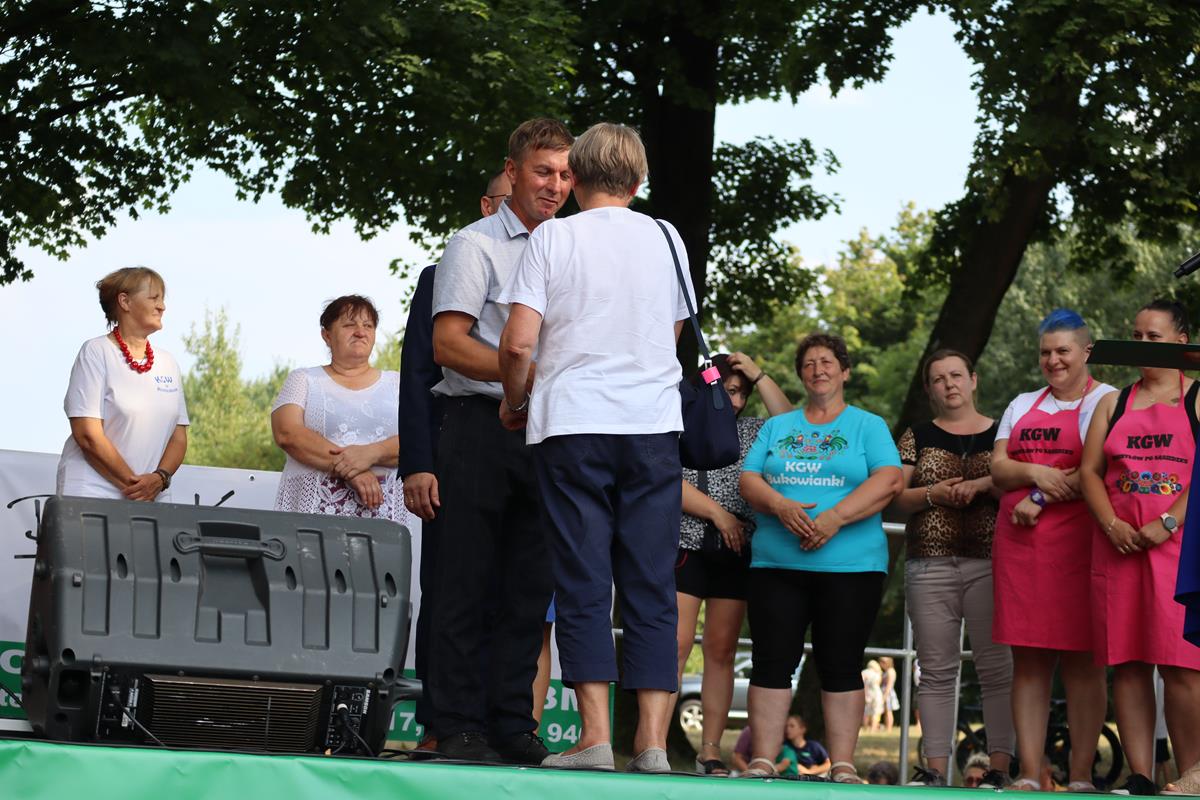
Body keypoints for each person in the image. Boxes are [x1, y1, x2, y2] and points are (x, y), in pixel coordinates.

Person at [497, 122, 695, 772]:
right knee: (652, 581)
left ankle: (596, 738)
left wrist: (515, 400)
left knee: (583, 579)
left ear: (575, 177)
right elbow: (670, 332)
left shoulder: (553, 237)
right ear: (638, 182)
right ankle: (654, 745)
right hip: (653, 427)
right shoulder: (667, 238)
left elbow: (517, 343)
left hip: (573, 425)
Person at [426, 118, 572, 764]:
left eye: (565, 174)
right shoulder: (474, 243)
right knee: (464, 583)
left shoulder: (572, 247)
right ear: (512, 172)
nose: (555, 185)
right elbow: (447, 345)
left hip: (549, 432)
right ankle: (458, 724)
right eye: (543, 171)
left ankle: (512, 722)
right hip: (479, 424)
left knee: (528, 591)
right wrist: (528, 374)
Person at [738, 332, 904, 781]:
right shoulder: (778, 427)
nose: (818, 370)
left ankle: (843, 764)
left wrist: (834, 518)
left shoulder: (868, 426)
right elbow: (749, 480)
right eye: (809, 363)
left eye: (827, 361)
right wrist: (780, 505)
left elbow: (890, 480)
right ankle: (762, 761)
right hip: (776, 565)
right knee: (771, 661)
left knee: (842, 663)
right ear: (800, 375)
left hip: (851, 568)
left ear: (844, 371)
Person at [401, 170, 511, 751]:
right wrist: (419, 462)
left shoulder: (555, 267)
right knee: (452, 589)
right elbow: (418, 374)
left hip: (531, 443)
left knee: (512, 594)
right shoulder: (444, 272)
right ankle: (439, 724)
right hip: (460, 437)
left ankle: (500, 723)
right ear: (488, 206)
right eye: (507, 202)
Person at [991, 308, 1115, 792]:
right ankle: (1029, 773)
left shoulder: (1107, 400)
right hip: (1021, 547)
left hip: (1083, 544)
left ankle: (1081, 775)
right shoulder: (1022, 403)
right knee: (1029, 661)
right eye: (1045, 352)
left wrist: (1038, 496)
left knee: (1084, 661)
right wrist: (1036, 473)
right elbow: (999, 468)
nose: (1053, 360)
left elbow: (1096, 470)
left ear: (1086, 351)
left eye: (1063, 351)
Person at [1080, 299, 1200, 796]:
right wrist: (1111, 524)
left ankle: (1194, 773)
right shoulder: (1113, 403)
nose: (1142, 344)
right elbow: (1089, 472)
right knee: (1128, 664)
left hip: (1180, 551)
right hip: (1120, 549)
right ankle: (1142, 777)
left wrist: (1169, 521)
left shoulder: (1198, 397)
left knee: (1182, 663)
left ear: (1181, 341)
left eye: (1154, 336)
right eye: (1136, 335)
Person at [893, 349, 1014, 787]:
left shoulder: (1004, 432)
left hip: (992, 563)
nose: (949, 384)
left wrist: (985, 484)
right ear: (929, 389)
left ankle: (1000, 770)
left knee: (997, 671)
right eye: (939, 378)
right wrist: (934, 495)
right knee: (936, 672)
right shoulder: (917, 435)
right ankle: (934, 771)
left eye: (956, 375)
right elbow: (895, 496)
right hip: (930, 564)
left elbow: (1019, 485)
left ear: (973, 379)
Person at [674, 351, 793, 775]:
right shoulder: (678, 422)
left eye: (743, 393)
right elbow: (666, 479)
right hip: (685, 545)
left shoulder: (754, 431)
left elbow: (790, 422)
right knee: (675, 645)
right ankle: (651, 741)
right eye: (729, 391)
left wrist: (759, 375)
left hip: (736, 551)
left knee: (721, 650)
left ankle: (710, 751)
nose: (738, 401)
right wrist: (718, 514)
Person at [58, 267, 188, 502]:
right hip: (94, 492)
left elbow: (178, 438)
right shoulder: (96, 352)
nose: (162, 306)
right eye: (154, 298)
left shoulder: (168, 363)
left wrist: (159, 479)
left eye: (162, 299)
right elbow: (87, 434)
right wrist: (137, 487)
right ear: (125, 301)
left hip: (152, 495)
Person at [271, 295, 404, 522]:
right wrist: (353, 470)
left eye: (368, 326)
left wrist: (371, 453)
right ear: (327, 335)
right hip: (311, 520)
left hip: (384, 522)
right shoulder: (303, 379)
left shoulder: (399, 384)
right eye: (349, 325)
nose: (360, 332)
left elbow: (421, 438)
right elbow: (287, 433)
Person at [862, 659, 884, 732]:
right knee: (876, 712)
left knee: (866, 712)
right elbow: (878, 684)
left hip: (867, 694)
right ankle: (873, 729)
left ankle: (865, 728)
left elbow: (862, 685)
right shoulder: (877, 673)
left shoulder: (864, 672)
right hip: (877, 694)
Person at [880, 655, 900, 732]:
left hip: (888, 693)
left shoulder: (890, 671)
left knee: (889, 711)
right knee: (886, 711)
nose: (881, 664)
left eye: (883, 662)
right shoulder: (886, 671)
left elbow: (889, 684)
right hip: (885, 692)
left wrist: (885, 695)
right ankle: (887, 727)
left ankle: (889, 728)